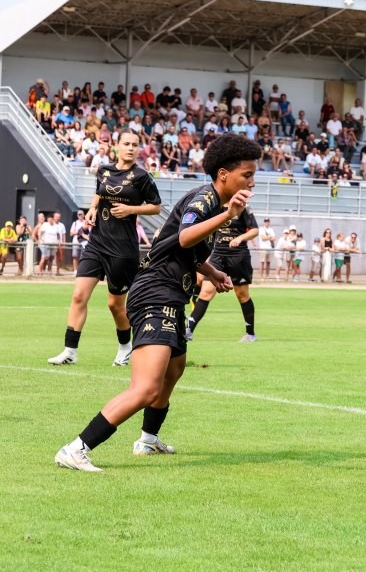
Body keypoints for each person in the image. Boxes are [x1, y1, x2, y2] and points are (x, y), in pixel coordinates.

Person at [54, 133, 260, 472]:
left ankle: (148, 440)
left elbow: (188, 251)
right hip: (155, 293)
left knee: (174, 370)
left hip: (171, 294)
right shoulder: (205, 200)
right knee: (147, 387)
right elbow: (185, 236)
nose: (252, 182)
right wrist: (228, 215)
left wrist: (213, 273)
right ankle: (76, 448)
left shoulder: (213, 202)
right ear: (224, 174)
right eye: (247, 174)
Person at [48, 131, 162, 367]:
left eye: (135, 145)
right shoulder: (104, 170)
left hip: (122, 248)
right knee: (78, 295)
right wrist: (92, 208)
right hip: (96, 242)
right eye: (126, 144)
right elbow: (99, 192)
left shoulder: (142, 176)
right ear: (116, 146)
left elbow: (156, 207)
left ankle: (125, 347)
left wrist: (131, 210)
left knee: (115, 304)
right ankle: (70, 351)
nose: (130, 148)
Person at [185, 206, 259, 342]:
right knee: (206, 292)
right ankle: (188, 330)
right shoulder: (215, 207)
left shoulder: (243, 208)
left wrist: (240, 238)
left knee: (242, 295)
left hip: (238, 255)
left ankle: (250, 334)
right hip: (218, 254)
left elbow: (255, 230)